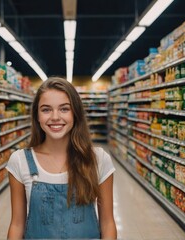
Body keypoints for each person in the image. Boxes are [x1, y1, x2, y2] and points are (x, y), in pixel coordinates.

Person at [6, 76, 117, 239]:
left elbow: (107, 223)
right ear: (37, 115)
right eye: (46, 109)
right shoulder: (20, 161)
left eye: (64, 109)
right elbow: (17, 225)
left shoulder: (97, 159)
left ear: (75, 113)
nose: (55, 117)